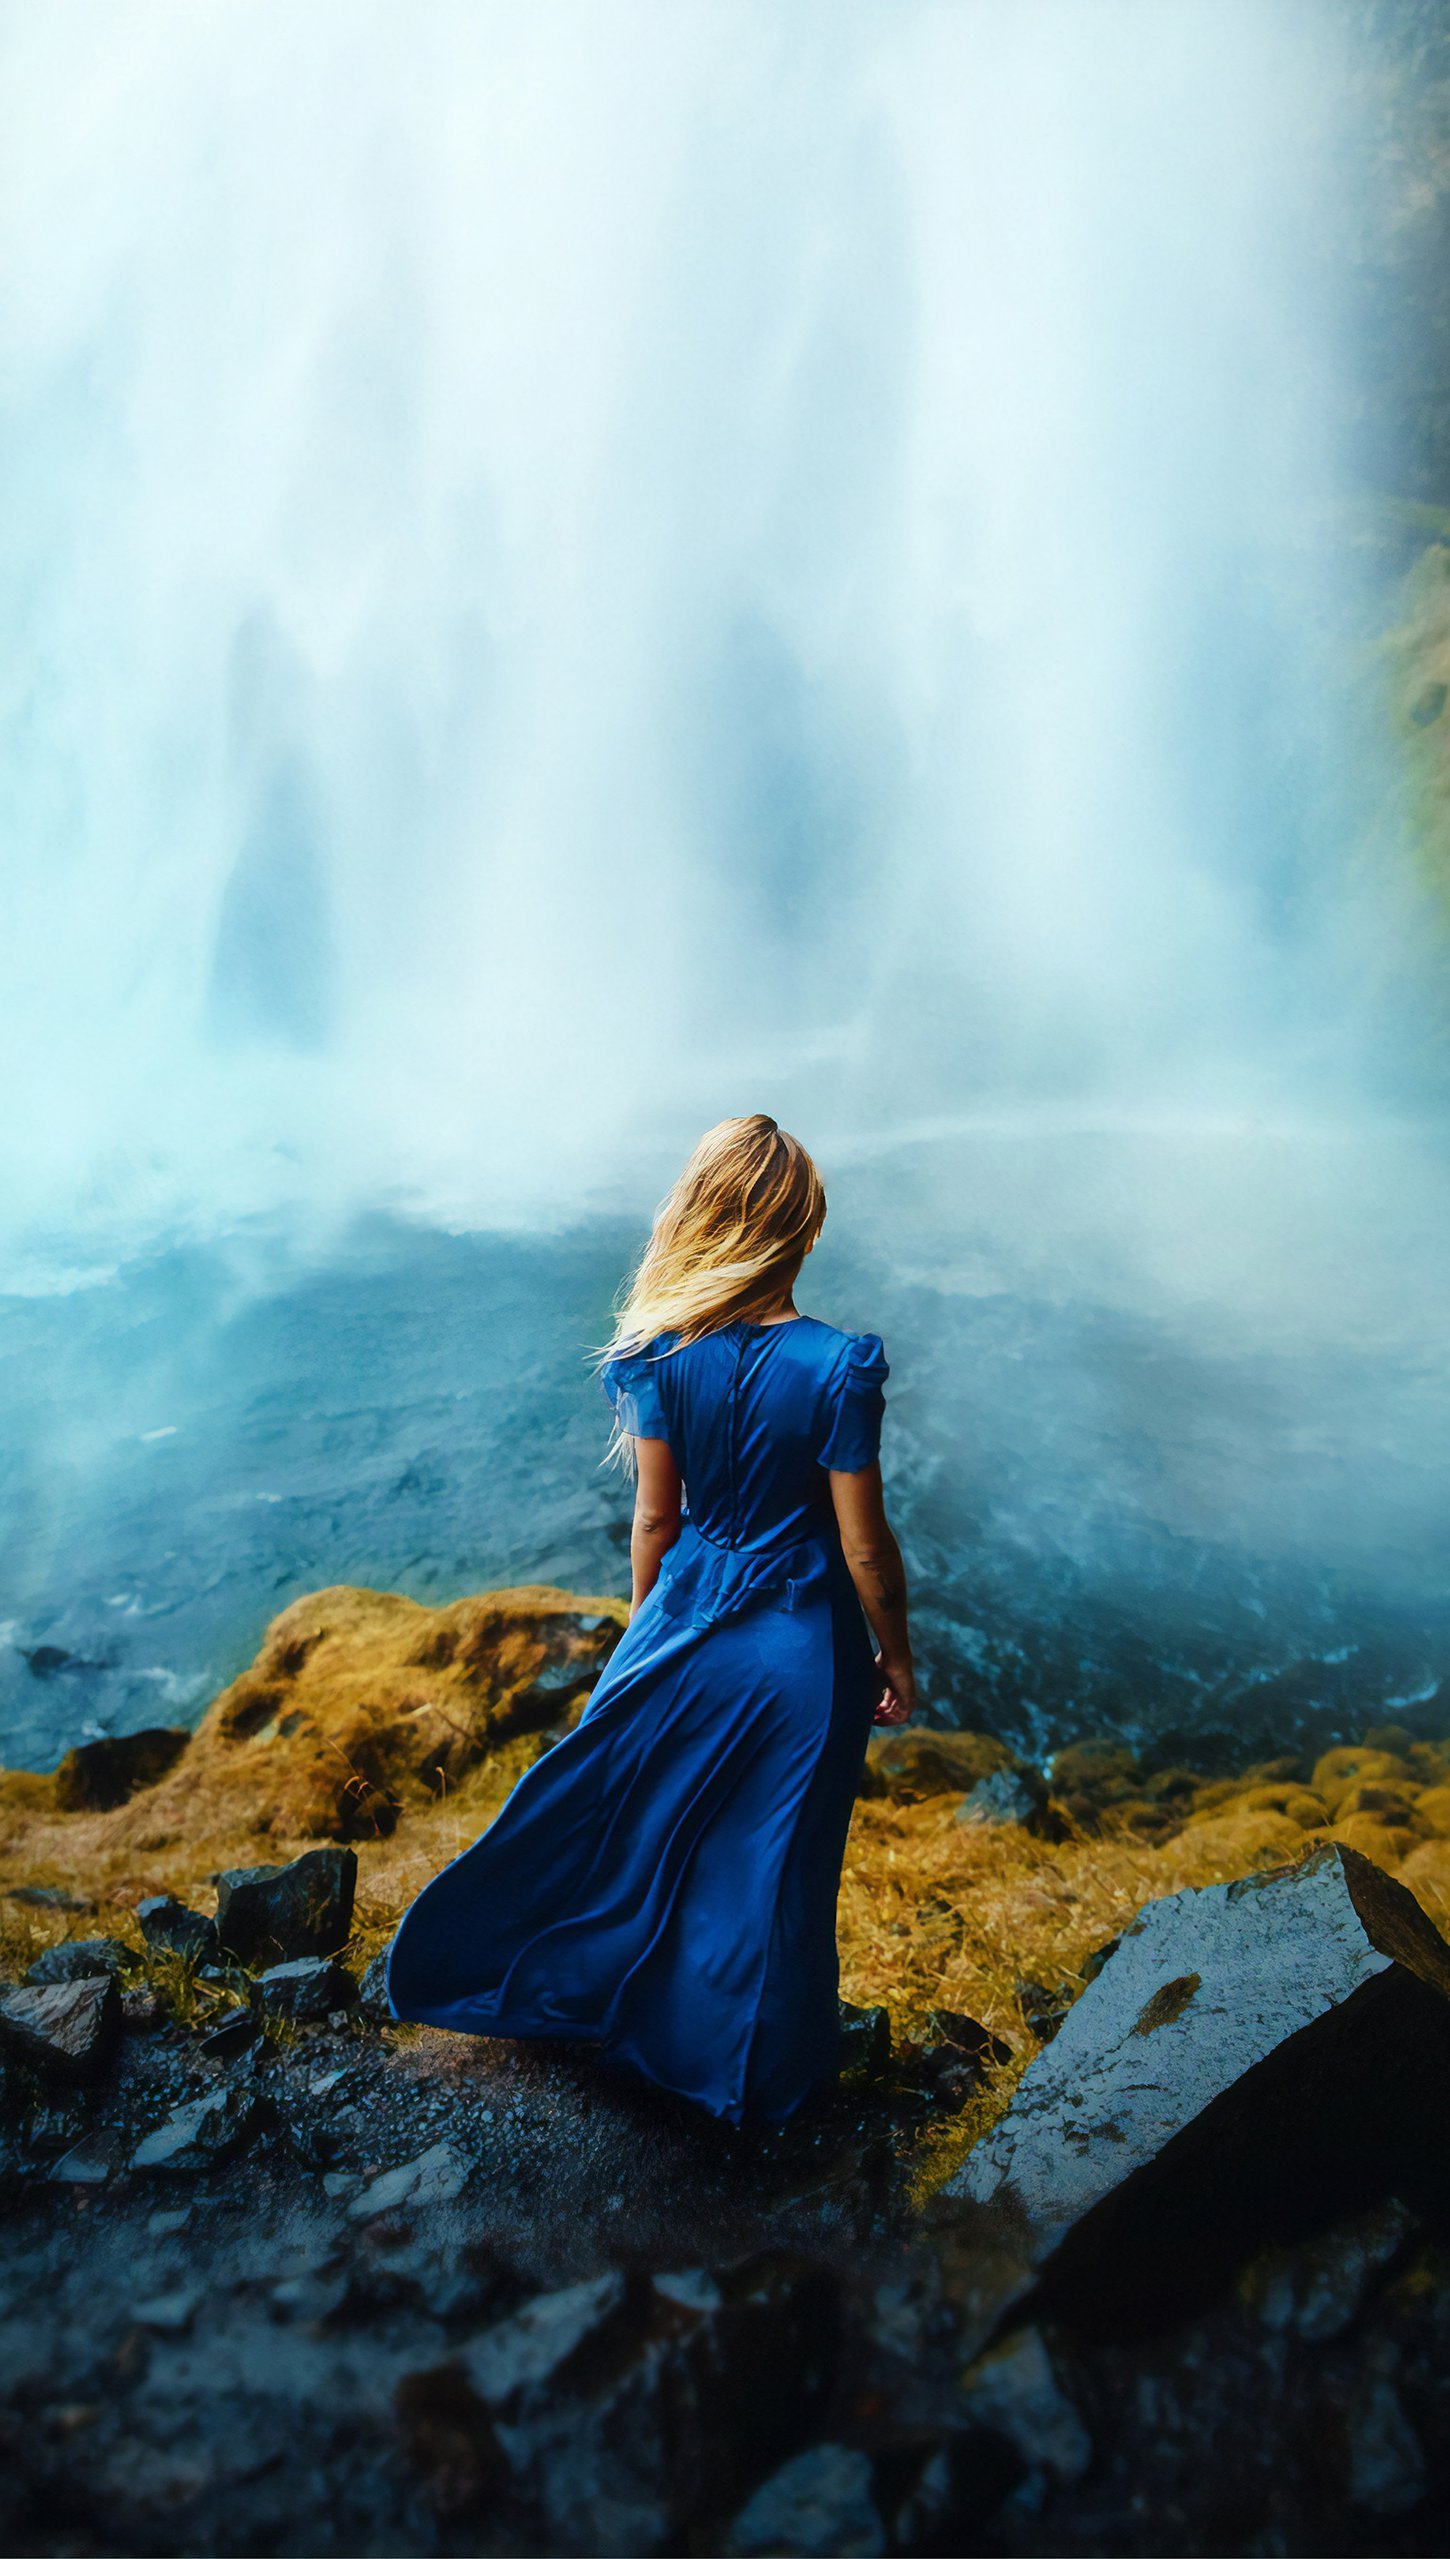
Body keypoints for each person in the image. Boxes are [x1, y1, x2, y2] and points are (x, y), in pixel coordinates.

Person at [384, 1113, 916, 2125]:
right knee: (775, 1866)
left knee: (638, 1827)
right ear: (801, 1230)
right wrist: (895, 1653)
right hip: (804, 1646)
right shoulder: (842, 1365)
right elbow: (862, 1548)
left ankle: (571, 1994)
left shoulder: (655, 1354)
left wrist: (647, 1635)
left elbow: (655, 1518)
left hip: (686, 1616)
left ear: (703, 1219)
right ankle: (759, 2080)